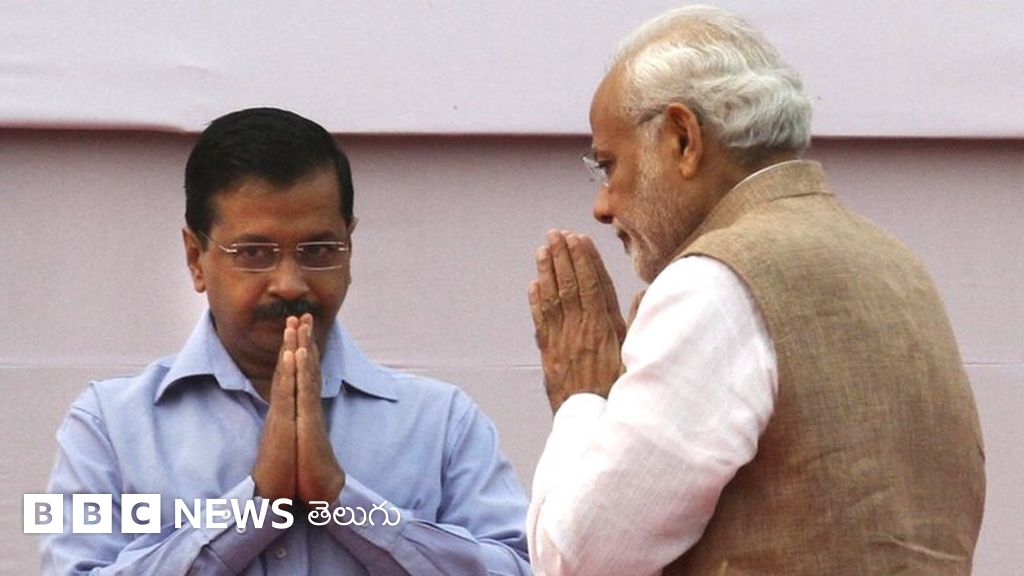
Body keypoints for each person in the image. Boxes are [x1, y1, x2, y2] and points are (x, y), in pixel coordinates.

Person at [526, 5, 985, 575]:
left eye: (608, 166)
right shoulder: (898, 266)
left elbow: (583, 557)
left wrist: (583, 398)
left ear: (683, 139)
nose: (602, 206)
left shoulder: (714, 284)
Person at [42, 107, 532, 575]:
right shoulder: (109, 427)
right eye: (255, 253)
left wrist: (344, 502)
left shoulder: (440, 423)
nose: (290, 284)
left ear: (350, 245)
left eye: (318, 250)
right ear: (195, 258)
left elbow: (523, 567)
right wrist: (257, 505)